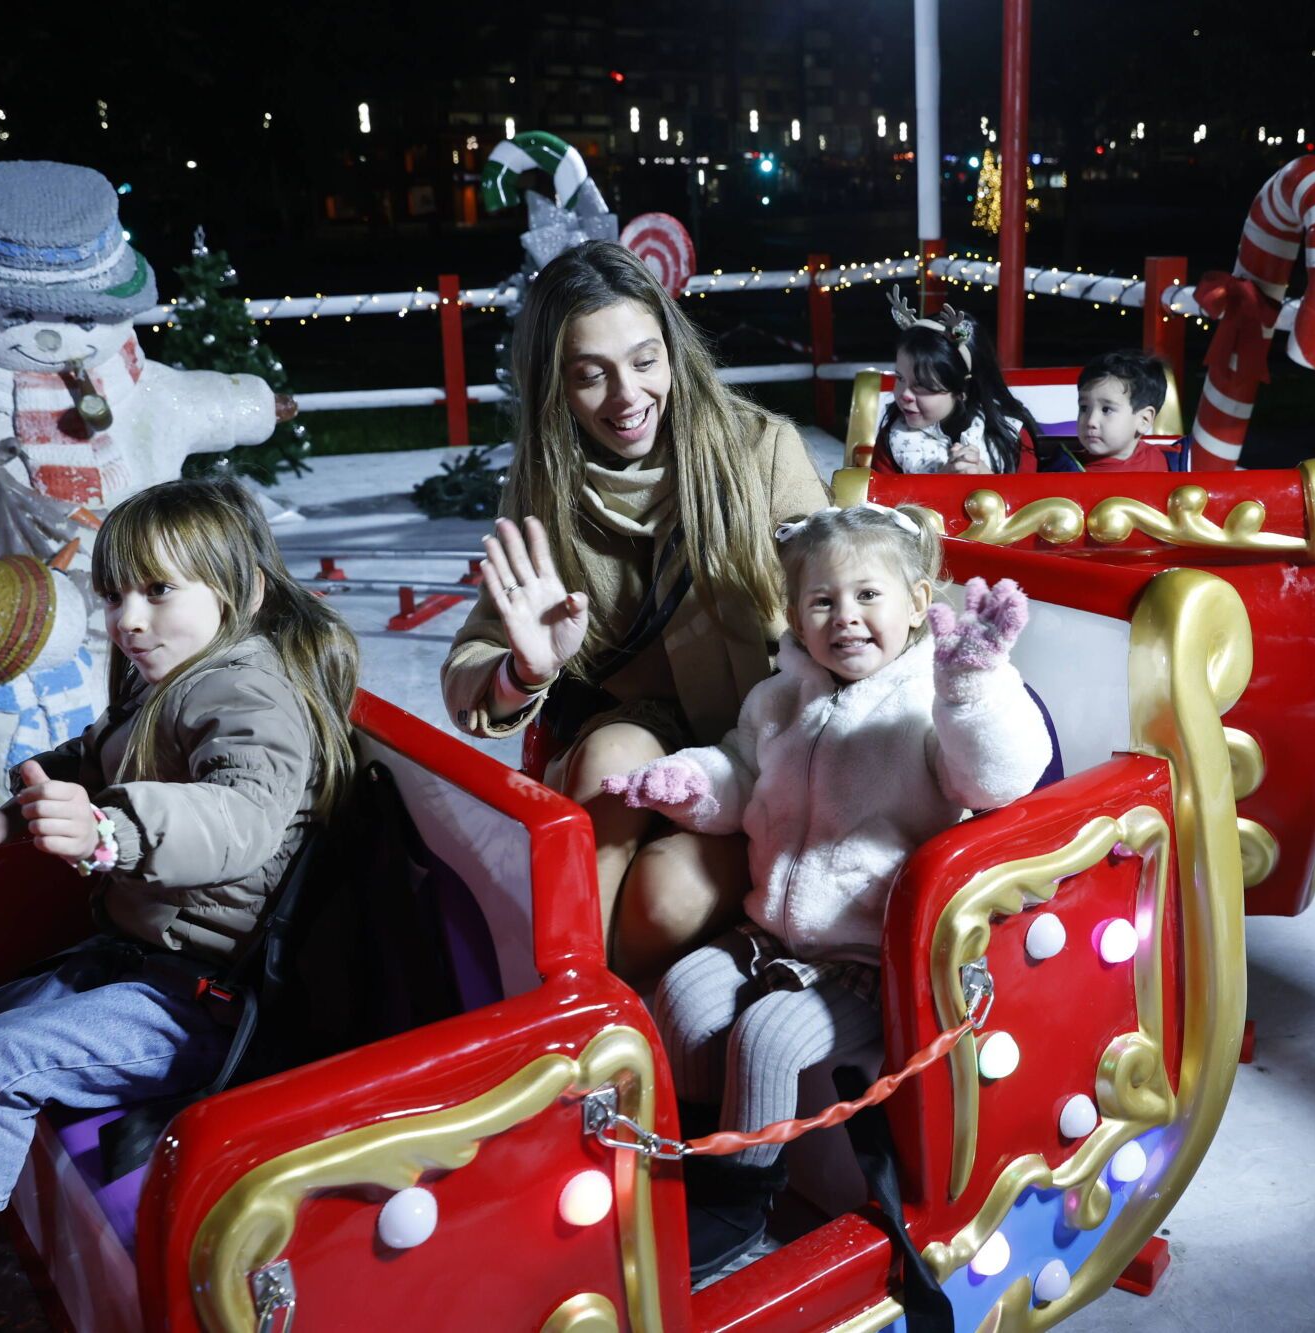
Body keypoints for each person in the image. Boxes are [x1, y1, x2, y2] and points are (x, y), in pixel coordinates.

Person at [0, 478, 358, 1333]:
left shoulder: (249, 695)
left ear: (242, 594)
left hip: (208, 999)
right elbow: (92, 754)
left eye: (160, 591)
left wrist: (109, 833)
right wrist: (17, 810)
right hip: (133, 963)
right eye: (117, 593)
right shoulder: (166, 679)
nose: (129, 618)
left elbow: (239, 817)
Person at [602, 504, 1052, 1277]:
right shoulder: (780, 697)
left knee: (771, 1037)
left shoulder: (930, 698)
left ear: (918, 602)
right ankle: (696, 1162)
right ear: (794, 616)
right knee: (679, 994)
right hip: (772, 930)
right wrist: (689, 781)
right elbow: (742, 772)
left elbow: (996, 777)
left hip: (868, 956)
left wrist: (975, 687)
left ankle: (743, 1206)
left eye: (868, 596)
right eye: (822, 602)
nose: (845, 617)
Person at [441, 240, 829, 983]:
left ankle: (608, 1028)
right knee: (606, 765)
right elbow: (469, 668)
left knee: (664, 897)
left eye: (645, 361)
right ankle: (572, 1003)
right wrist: (525, 668)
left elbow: (840, 588)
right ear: (554, 384)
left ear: (674, 352)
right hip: (639, 729)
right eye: (591, 375)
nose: (627, 397)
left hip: (759, 741)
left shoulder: (760, 450)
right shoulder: (541, 491)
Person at [872, 287, 1074, 474]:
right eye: (900, 378)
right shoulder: (895, 438)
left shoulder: (1010, 436)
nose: (905, 395)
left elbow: (1028, 501)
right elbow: (880, 506)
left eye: (922, 387)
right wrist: (939, 483)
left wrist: (985, 478)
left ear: (962, 389)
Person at [1075, 350, 1173, 474]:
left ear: (1144, 420)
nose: (1091, 421)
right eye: (1084, 408)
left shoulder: (1174, 462)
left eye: (1106, 409)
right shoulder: (1061, 471)